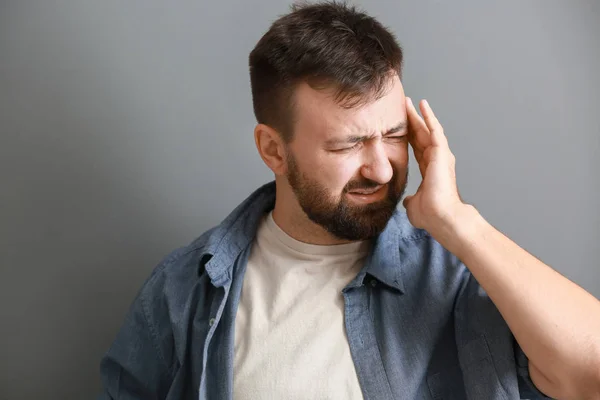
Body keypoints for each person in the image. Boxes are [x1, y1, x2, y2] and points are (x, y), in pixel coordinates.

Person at [98, 2, 600, 399]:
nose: (381, 168)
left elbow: (591, 375)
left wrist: (457, 222)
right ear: (273, 149)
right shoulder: (185, 291)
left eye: (394, 135)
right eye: (347, 144)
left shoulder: (457, 279)